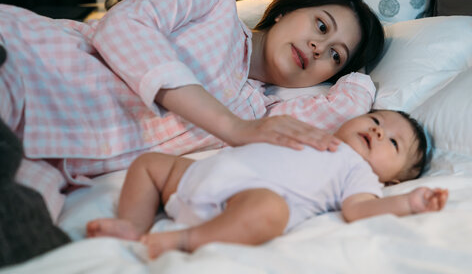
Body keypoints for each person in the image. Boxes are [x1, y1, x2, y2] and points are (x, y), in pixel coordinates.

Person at [0, 0, 384, 220]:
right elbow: (122, 25)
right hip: (30, 65)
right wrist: (230, 127)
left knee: (31, 224)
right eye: (321, 26)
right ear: (285, 10)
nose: (320, 49)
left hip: (52, 159)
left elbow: (338, 116)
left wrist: (360, 75)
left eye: (335, 55)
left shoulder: (259, 114)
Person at [87, 110, 448, 259]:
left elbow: (360, 209)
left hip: (244, 203)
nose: (378, 131)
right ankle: (133, 223)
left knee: (271, 210)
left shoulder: (360, 173)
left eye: (393, 143)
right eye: (374, 119)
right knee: (149, 164)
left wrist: (408, 203)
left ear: (394, 178)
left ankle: (182, 239)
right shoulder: (313, 132)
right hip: (201, 177)